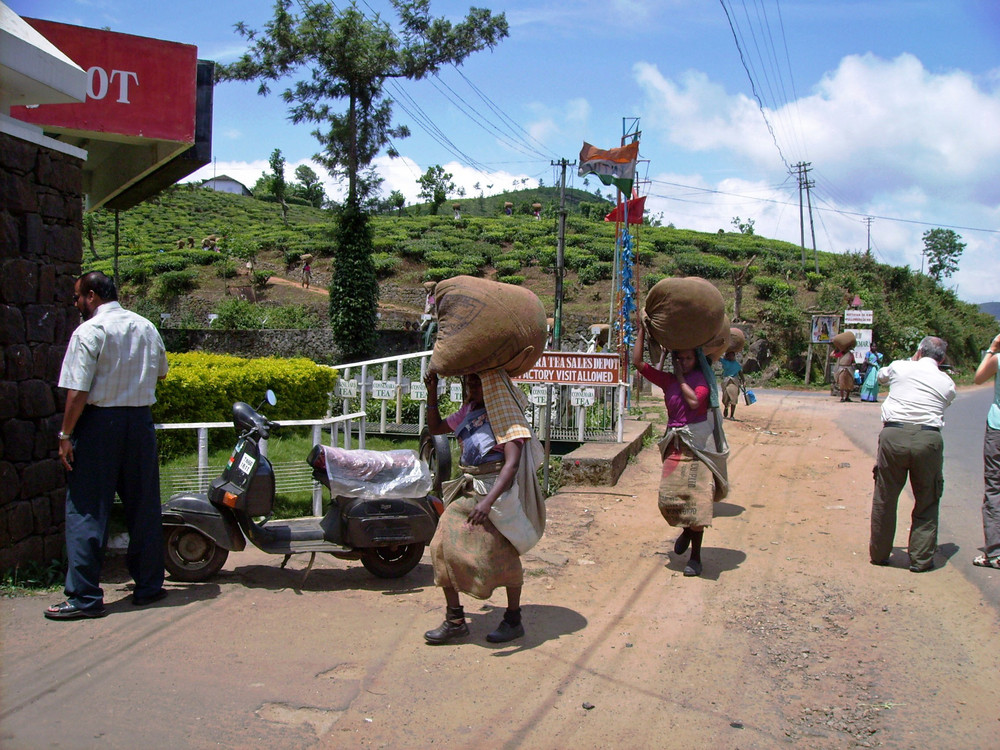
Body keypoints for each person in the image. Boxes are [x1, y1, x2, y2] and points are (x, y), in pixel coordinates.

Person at [45, 272, 170, 620]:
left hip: (100, 424)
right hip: (140, 423)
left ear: (91, 295)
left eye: (77, 298)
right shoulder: (146, 327)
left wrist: (65, 435)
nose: (76, 304)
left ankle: (84, 597)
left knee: (87, 507)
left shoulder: (89, 332)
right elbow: (161, 373)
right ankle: (149, 586)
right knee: (143, 505)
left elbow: (78, 391)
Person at [422, 369, 545, 644]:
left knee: (502, 553)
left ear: (492, 385)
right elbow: (436, 428)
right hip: (469, 490)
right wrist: (432, 392)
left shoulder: (505, 415)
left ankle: (513, 619)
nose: (472, 386)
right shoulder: (469, 412)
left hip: (496, 495)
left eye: (478, 381)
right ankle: (454, 620)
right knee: (440, 545)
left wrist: (488, 504)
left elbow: (511, 464)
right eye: (469, 381)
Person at [632, 324, 728, 577]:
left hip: (698, 448)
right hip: (675, 446)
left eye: (688, 358)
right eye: (680, 358)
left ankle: (696, 557)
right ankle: (686, 530)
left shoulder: (701, 380)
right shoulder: (668, 381)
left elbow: (694, 401)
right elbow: (638, 363)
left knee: (697, 502)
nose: (683, 362)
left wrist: (682, 377)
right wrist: (643, 330)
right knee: (670, 499)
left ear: (696, 359)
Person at [869, 336, 956, 573]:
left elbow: (880, 376)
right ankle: (920, 559)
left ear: (919, 351)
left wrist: (911, 360)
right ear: (942, 358)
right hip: (928, 439)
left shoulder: (900, 366)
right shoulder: (947, 382)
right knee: (927, 499)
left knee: (885, 496)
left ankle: (879, 553)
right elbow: (945, 402)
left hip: (893, 435)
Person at [972, 333, 1000, 569]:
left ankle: (995, 553)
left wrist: (992, 348)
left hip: (998, 429)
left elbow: (978, 378)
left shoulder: (998, 359)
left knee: (995, 487)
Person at [720, 350, 744, 420]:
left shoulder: (737, 364)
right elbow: (718, 358)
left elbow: (740, 373)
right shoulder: (725, 362)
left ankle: (732, 415)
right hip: (726, 381)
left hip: (734, 382)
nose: (731, 357)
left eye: (732, 355)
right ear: (727, 357)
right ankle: (726, 407)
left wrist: (744, 381)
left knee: (734, 398)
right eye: (729, 356)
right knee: (725, 398)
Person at [420, 281, 438, 350]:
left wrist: (427, 313)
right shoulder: (429, 296)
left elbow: (431, 306)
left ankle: (427, 346)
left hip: (431, 317)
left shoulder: (431, 296)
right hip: (428, 316)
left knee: (428, 331)